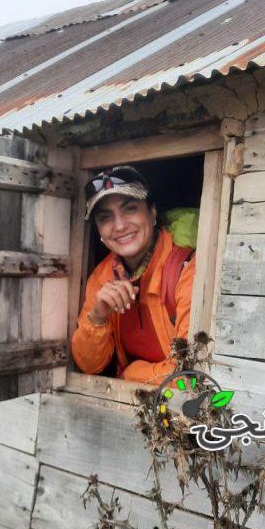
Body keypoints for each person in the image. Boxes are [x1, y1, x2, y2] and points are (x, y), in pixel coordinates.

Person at [71, 165, 196, 385]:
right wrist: (97, 317)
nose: (119, 225)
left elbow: (190, 372)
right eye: (105, 217)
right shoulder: (102, 277)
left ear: (152, 212)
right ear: (99, 230)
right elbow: (89, 365)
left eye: (130, 208)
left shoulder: (186, 267)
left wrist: (131, 374)